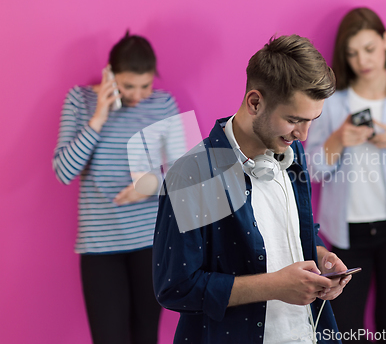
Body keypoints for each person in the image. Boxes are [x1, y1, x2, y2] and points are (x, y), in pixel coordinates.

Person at [153, 35, 353, 344]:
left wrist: (322, 257)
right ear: (255, 102)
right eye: (293, 120)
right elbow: (178, 287)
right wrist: (274, 286)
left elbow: (297, 231)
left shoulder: (290, 152)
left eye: (312, 120)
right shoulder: (195, 175)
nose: (302, 134)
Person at [305, 8, 386, 343]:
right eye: (351, 53)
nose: (362, 60)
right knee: (347, 329)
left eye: (369, 49)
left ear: (385, 42)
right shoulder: (329, 105)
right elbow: (313, 170)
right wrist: (338, 139)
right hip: (348, 234)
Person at [53, 32, 186, 344]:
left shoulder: (163, 103)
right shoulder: (79, 100)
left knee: (145, 336)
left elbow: (189, 172)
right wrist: (100, 116)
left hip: (152, 241)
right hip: (99, 246)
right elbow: (64, 171)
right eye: (129, 86)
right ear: (110, 76)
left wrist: (149, 186)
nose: (138, 95)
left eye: (145, 85)